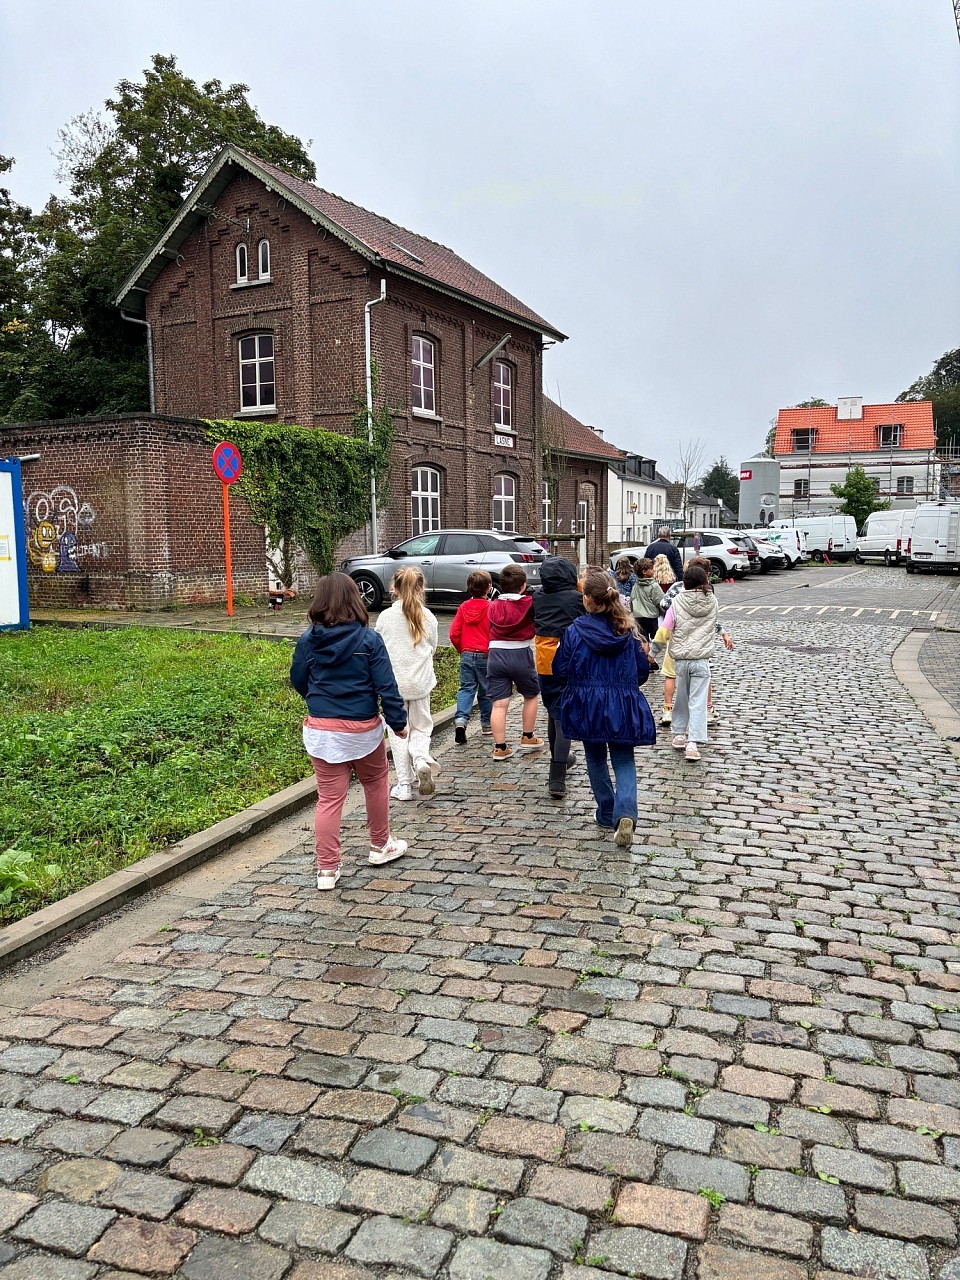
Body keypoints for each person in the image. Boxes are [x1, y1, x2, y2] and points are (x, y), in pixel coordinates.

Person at [290, 573, 410, 890]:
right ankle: (380, 845)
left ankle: (326, 870)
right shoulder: (369, 640)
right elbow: (387, 686)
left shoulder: (307, 640)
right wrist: (398, 723)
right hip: (363, 728)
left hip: (322, 729)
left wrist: (317, 701)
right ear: (354, 600)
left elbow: (298, 679)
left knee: (329, 799)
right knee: (375, 783)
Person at [554, 570, 656, 847]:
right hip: (622, 703)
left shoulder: (574, 631)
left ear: (587, 599)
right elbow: (642, 672)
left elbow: (560, 669)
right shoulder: (629, 631)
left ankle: (607, 811)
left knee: (595, 758)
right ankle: (626, 812)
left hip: (588, 705)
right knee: (623, 760)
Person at [658, 563, 733, 762]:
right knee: (698, 702)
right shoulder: (713, 601)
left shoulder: (677, 601)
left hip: (681, 660)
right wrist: (724, 633)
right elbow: (715, 623)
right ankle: (693, 742)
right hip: (701, 660)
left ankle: (679, 735)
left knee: (681, 697)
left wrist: (652, 651)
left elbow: (665, 629)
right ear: (705, 581)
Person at [375, 566, 439, 800]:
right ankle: (421, 759)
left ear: (393, 588)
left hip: (394, 684)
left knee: (398, 731)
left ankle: (404, 785)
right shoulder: (428, 616)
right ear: (422, 588)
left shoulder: (385, 617)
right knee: (422, 726)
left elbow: (379, 648)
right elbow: (432, 647)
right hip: (420, 683)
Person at [533, 556, 585, 798]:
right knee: (564, 717)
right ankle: (557, 776)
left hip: (544, 661)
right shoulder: (577, 599)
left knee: (553, 712)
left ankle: (560, 759)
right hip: (570, 658)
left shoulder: (539, 597)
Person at [487, 563, 543, 760]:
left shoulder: (492, 605)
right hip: (520, 653)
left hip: (495, 654)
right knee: (531, 694)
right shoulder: (528, 603)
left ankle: (500, 747)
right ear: (523, 585)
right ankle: (527, 736)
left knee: (499, 704)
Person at [449, 570, 493, 745]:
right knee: (486, 690)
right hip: (485, 654)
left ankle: (461, 720)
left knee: (466, 688)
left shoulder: (463, 607)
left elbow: (454, 633)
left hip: (467, 653)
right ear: (489, 588)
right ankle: (487, 724)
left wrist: (462, 649)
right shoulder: (490, 608)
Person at [630, 557, 663, 642]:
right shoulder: (654, 586)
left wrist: (633, 610)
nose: (653, 570)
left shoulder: (636, 586)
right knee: (656, 638)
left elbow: (632, 599)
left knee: (643, 639)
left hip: (638, 617)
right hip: (651, 617)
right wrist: (662, 612)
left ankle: (645, 653)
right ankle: (654, 653)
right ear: (644, 572)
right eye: (651, 569)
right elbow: (659, 601)